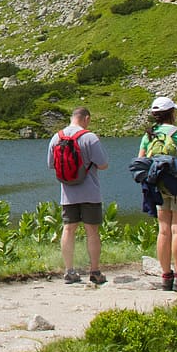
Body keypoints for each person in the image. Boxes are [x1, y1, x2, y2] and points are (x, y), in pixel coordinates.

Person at [138, 96, 177, 292]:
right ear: (172, 113)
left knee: (163, 230)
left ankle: (166, 276)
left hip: (158, 186)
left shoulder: (149, 135)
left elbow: (141, 162)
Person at [47, 106, 110, 284]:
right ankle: (95, 272)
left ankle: (69, 271)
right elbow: (104, 164)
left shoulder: (56, 137)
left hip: (67, 194)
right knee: (92, 232)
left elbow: (51, 165)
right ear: (86, 119)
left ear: (72, 117)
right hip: (90, 192)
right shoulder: (90, 137)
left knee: (68, 229)